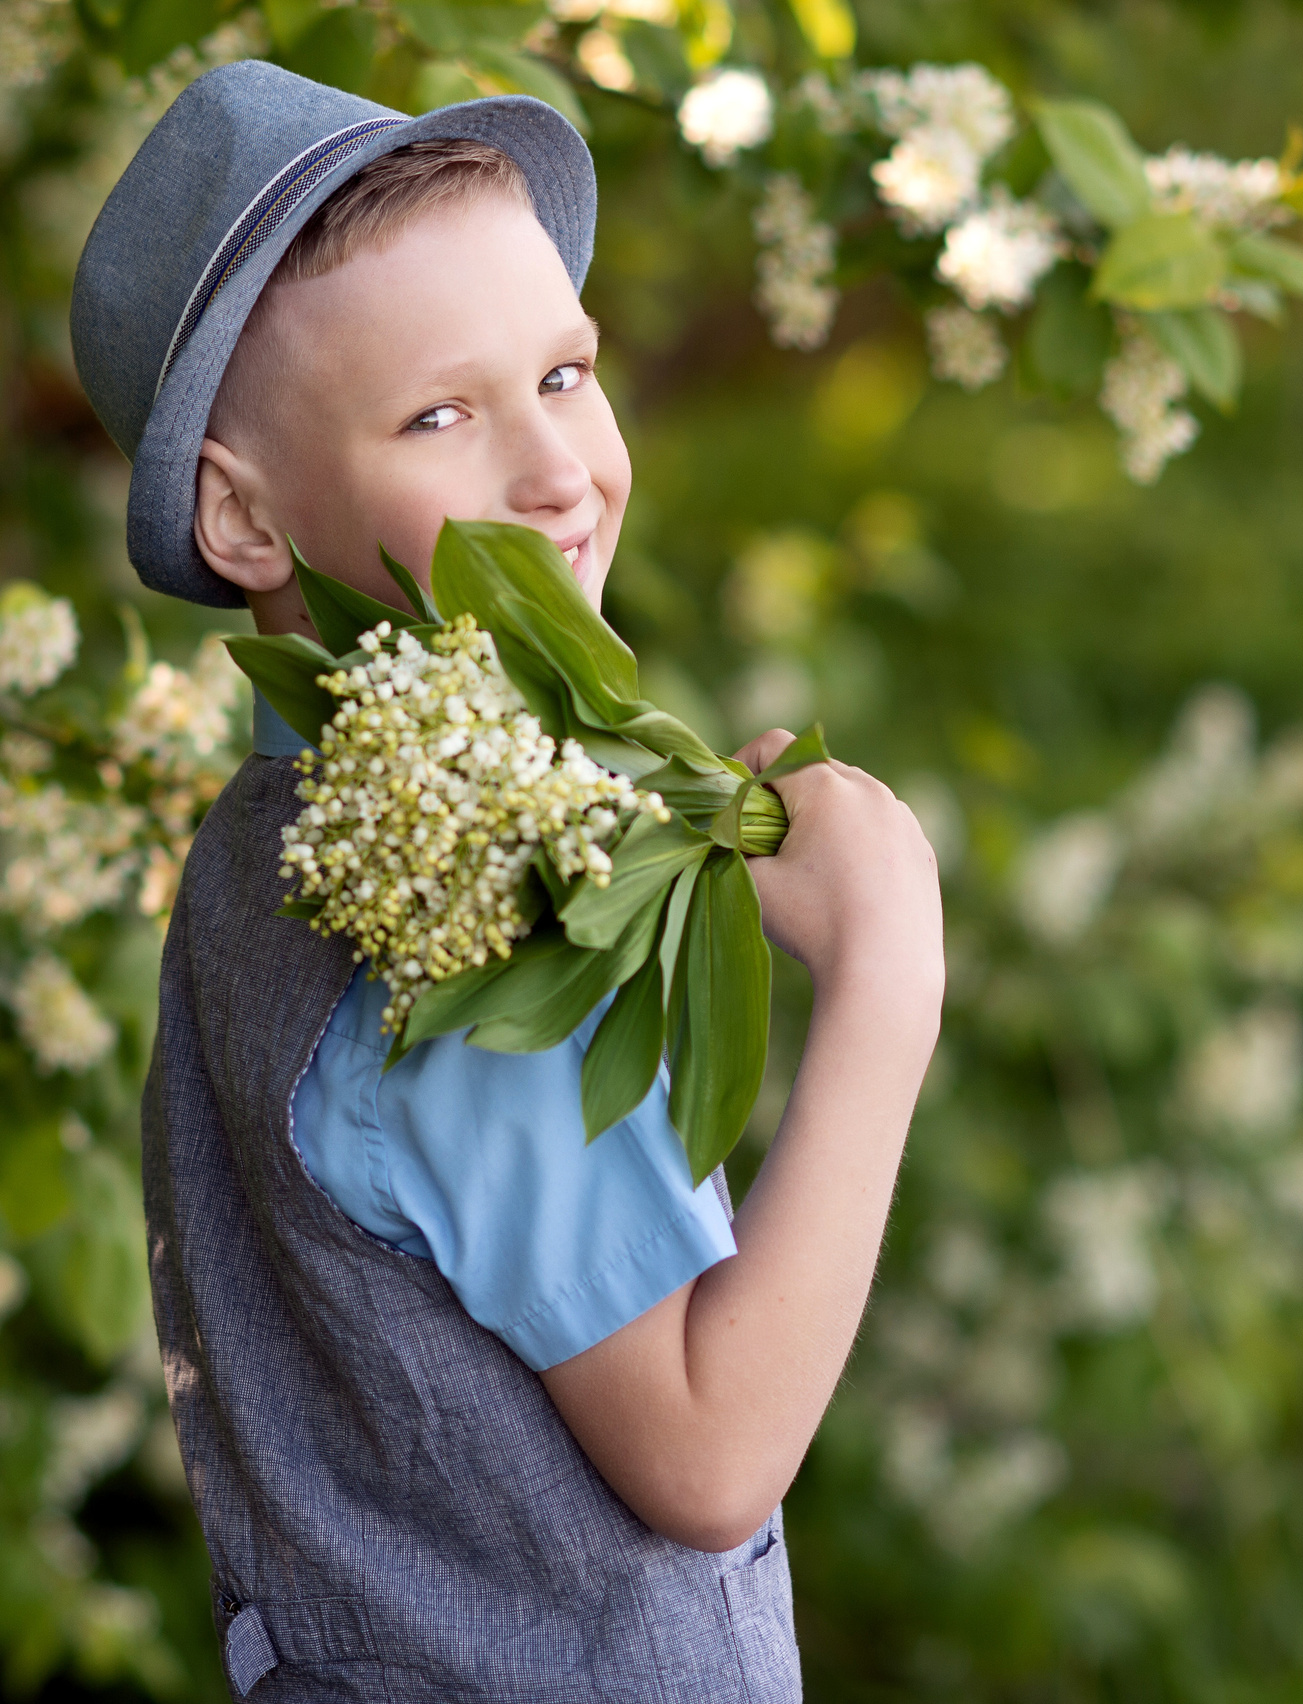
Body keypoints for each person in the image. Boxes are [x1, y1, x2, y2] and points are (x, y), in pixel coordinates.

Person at [71, 60, 944, 1701]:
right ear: (243, 519)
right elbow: (707, 1456)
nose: (556, 472)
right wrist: (889, 971)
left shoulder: (274, 832)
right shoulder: (463, 921)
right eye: (440, 415)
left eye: (564, 373)